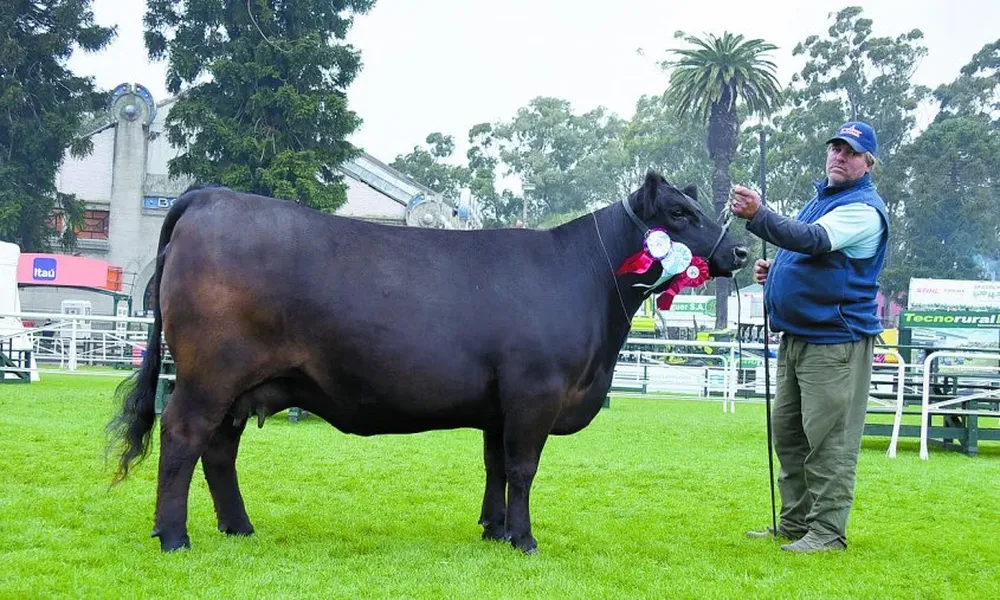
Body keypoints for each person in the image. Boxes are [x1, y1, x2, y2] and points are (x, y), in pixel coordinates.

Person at [729, 121, 889, 553]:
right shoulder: (821, 200)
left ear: (867, 163)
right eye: (835, 148)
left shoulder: (863, 209)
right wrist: (775, 270)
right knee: (789, 434)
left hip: (835, 342)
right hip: (798, 337)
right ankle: (796, 523)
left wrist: (760, 216)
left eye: (850, 152)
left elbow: (815, 241)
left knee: (828, 439)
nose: (839, 156)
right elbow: (806, 251)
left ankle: (827, 532)